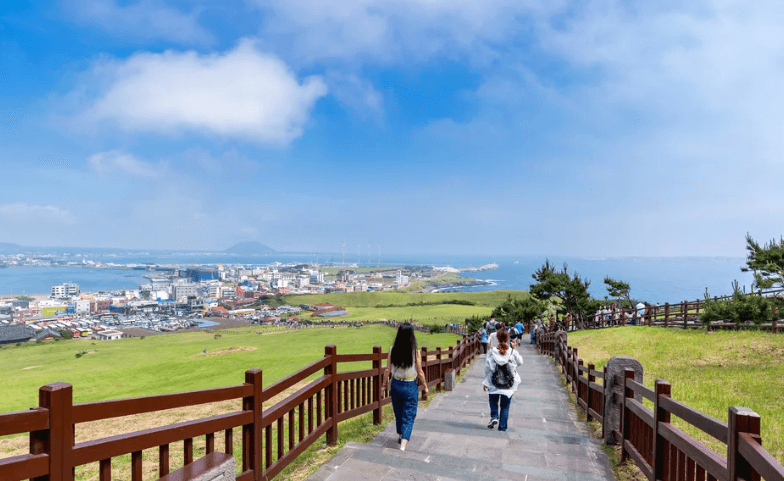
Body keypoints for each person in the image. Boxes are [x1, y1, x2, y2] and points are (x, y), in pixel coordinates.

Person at [382, 323, 428, 451]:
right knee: (409, 415)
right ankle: (403, 445)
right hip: (410, 385)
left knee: (399, 412)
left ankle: (401, 436)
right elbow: (419, 371)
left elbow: (387, 370)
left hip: (396, 385)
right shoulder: (415, 352)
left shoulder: (392, 350)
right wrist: (425, 386)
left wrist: (383, 386)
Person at [483, 328, 523, 431]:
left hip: (494, 382)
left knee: (493, 399)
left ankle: (494, 416)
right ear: (508, 338)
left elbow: (488, 369)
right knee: (505, 406)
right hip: (509, 383)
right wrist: (515, 350)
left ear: (497, 338)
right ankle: (502, 427)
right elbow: (520, 362)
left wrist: (486, 382)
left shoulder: (492, 352)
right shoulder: (512, 352)